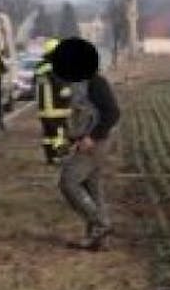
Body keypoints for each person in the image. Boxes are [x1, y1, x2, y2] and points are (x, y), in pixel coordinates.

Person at [47, 37, 122, 251]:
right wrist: (71, 140)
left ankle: (101, 224)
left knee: (68, 182)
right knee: (92, 188)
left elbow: (113, 113)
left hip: (95, 143)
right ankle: (98, 240)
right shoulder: (77, 82)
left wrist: (92, 137)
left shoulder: (96, 82)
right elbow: (81, 116)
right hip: (85, 142)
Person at [34, 39, 72, 164]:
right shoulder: (55, 67)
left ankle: (50, 157)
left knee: (48, 135)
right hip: (57, 107)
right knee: (59, 133)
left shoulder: (39, 67)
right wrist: (69, 93)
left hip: (43, 108)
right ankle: (60, 156)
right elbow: (62, 87)